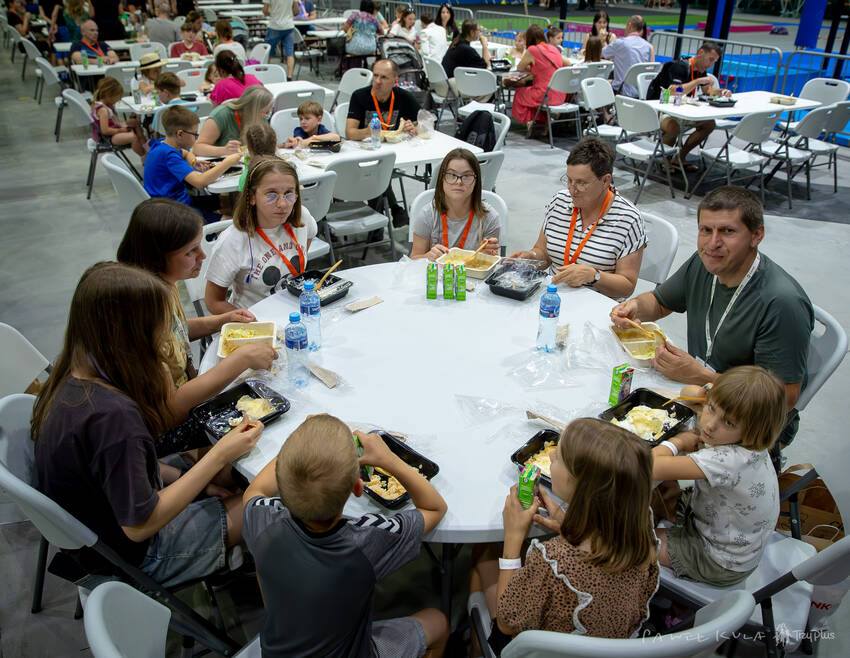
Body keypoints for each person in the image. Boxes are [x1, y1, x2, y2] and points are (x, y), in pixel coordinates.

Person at [32, 261, 262, 587]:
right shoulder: (113, 418)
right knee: (263, 497)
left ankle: (233, 554)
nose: (167, 339)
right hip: (136, 554)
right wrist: (218, 455)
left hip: (108, 521)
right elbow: (140, 526)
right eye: (159, 329)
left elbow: (125, 469)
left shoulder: (74, 371)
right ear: (132, 337)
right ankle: (241, 564)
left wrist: (195, 480)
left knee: (233, 475)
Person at [610, 186, 813, 455]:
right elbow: (659, 302)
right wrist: (634, 306)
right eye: (706, 230)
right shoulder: (705, 263)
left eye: (727, 231)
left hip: (744, 424)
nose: (712, 243)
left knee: (625, 452)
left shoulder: (782, 304)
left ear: (756, 235)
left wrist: (700, 374)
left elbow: (782, 398)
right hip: (703, 396)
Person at [241, 415, 449, 656]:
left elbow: (255, 490)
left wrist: (305, 442)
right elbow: (434, 508)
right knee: (438, 622)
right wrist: (389, 459)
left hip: (278, 651)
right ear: (358, 488)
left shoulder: (261, 520)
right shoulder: (365, 540)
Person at [469, 418, 658, 653]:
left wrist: (513, 538)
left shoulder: (553, 561)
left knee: (484, 555)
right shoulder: (641, 532)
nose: (550, 455)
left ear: (580, 484)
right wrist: (571, 526)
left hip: (539, 651)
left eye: (559, 456)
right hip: (615, 645)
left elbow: (507, 622)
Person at [116, 199, 277, 455]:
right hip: (161, 427)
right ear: (158, 256)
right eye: (191, 251)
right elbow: (170, 411)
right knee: (264, 425)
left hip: (186, 390)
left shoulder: (163, 284)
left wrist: (221, 320)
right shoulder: (143, 311)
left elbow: (177, 331)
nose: (202, 256)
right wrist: (242, 358)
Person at [652, 366, 786, 586]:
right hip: (725, 532)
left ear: (752, 430)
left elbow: (650, 465)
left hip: (718, 561)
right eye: (711, 408)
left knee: (626, 543)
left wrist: (678, 442)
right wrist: (708, 395)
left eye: (729, 422)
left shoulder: (727, 460)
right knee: (661, 489)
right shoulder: (751, 443)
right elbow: (690, 392)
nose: (710, 425)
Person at [510, 136, 645, 299]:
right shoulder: (560, 201)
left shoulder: (628, 219)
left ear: (605, 181)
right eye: (569, 180)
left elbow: (626, 287)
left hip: (595, 303)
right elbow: (543, 253)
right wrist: (530, 257)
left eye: (582, 183)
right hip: (552, 296)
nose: (572, 190)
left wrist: (594, 276)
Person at [205, 157, 318, 312]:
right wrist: (250, 320)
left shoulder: (302, 218)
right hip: (256, 318)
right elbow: (213, 302)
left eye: (289, 193)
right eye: (271, 194)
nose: (282, 204)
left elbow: (305, 244)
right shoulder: (232, 241)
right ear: (252, 197)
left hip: (295, 311)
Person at [143, 105, 243, 222]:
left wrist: (193, 161)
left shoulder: (162, 143)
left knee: (221, 201)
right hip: (172, 212)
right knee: (232, 223)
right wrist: (227, 162)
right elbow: (200, 182)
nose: (196, 138)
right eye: (195, 134)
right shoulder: (170, 156)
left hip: (170, 202)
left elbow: (186, 153)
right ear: (180, 134)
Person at [646, 41, 728, 170]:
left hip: (681, 109)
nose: (711, 65)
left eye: (714, 62)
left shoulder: (700, 70)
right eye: (710, 59)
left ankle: (680, 157)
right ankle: (665, 160)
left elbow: (707, 90)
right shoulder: (678, 66)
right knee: (674, 127)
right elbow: (674, 90)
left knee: (709, 124)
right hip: (659, 108)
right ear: (701, 53)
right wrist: (697, 81)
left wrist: (721, 92)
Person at [410, 149, 500, 261]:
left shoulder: (489, 218)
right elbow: (413, 259)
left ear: (476, 181)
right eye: (452, 175)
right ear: (442, 178)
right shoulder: (427, 215)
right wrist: (427, 257)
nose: (459, 182)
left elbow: (491, 262)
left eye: (467, 176)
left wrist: (486, 256)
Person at [511, 24, 572, 135]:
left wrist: (533, 68)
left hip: (545, 95)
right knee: (532, 94)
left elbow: (520, 68)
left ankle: (533, 122)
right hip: (560, 95)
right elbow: (568, 63)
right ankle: (541, 122)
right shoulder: (553, 48)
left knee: (521, 93)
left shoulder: (532, 50)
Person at [345, 58, 420, 139]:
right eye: (375, 75)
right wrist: (366, 132)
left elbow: (427, 123)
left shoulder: (404, 97)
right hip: (369, 144)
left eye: (384, 77)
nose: (378, 81)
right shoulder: (359, 96)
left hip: (396, 145)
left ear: (395, 80)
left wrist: (414, 129)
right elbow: (349, 133)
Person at [194, 85, 273, 156]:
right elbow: (197, 148)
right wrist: (224, 150)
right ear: (252, 110)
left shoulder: (260, 117)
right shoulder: (221, 115)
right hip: (223, 163)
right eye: (265, 112)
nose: (266, 116)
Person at [91, 77, 146, 158]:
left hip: (112, 131)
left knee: (134, 122)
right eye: (117, 96)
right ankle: (144, 156)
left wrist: (122, 125)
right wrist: (120, 130)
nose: (119, 99)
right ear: (109, 96)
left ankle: (145, 146)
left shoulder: (107, 105)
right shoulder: (103, 110)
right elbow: (105, 130)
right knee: (132, 137)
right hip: (106, 138)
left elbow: (115, 122)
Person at [602, 15, 652, 98]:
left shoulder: (621, 43)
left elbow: (602, 53)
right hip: (641, 91)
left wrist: (603, 40)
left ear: (629, 25)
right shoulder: (647, 46)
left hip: (622, 90)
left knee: (599, 83)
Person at [441, 19, 491, 98]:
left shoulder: (456, 42)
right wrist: (484, 45)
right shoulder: (466, 49)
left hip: (446, 83)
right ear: (472, 32)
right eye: (478, 30)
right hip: (453, 86)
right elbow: (486, 65)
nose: (479, 33)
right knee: (490, 85)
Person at [239, 122, 278, 191]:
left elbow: (244, 196)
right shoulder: (284, 169)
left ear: (249, 148)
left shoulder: (247, 176)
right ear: (275, 145)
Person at [263, 0, 295, 79]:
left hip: (274, 25)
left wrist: (273, 13)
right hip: (288, 25)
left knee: (267, 52)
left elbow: (265, 11)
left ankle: (264, 73)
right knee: (290, 53)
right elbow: (297, 10)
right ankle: (289, 76)